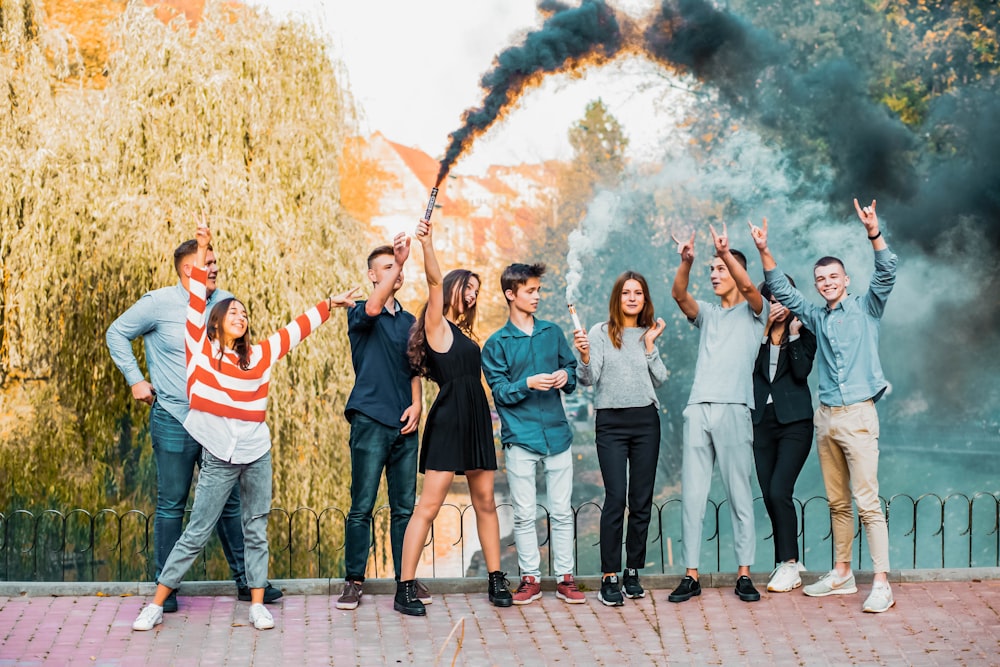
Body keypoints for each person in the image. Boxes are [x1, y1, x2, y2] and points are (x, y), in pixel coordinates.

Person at [132, 219, 358, 631]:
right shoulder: (199, 351)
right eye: (231, 310)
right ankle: (157, 602)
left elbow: (295, 330)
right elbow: (197, 299)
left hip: (256, 454)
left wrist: (330, 304)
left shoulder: (259, 355)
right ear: (214, 323)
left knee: (256, 527)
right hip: (219, 454)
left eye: (244, 311)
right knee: (197, 530)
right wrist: (203, 247)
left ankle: (256, 603)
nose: (240, 313)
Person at [107, 240, 282, 613]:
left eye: (216, 261)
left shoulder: (225, 303)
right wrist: (135, 379)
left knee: (230, 505)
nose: (215, 267)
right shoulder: (157, 303)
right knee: (172, 504)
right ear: (190, 268)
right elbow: (116, 333)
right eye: (209, 261)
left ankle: (249, 583)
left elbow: (243, 355)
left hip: (221, 425)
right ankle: (166, 591)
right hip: (175, 417)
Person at [750, 199, 897, 613]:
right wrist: (764, 249)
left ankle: (882, 583)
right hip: (826, 418)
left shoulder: (868, 309)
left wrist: (873, 230)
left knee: (867, 501)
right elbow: (781, 289)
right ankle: (842, 573)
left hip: (859, 415)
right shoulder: (815, 316)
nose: (827, 282)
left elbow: (887, 272)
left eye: (834, 276)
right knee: (837, 501)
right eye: (821, 278)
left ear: (846, 280)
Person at [392, 217, 512, 616]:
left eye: (478, 291)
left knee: (486, 503)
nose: (474, 296)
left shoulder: (464, 335)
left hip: (475, 418)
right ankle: (405, 587)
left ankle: (496, 579)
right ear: (451, 290)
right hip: (448, 418)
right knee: (428, 507)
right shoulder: (436, 325)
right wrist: (427, 244)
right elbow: (432, 282)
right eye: (469, 288)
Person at [668, 224, 768, 604]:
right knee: (693, 495)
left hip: (734, 408)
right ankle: (691, 574)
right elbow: (679, 294)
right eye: (711, 269)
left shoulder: (757, 312)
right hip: (698, 409)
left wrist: (727, 254)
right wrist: (687, 261)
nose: (714, 274)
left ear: (736, 270)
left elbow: (749, 289)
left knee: (739, 493)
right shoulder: (707, 314)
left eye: (720, 269)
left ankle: (744, 573)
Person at [482, 263, 583, 606]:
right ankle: (530, 580)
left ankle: (566, 579)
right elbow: (499, 392)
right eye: (530, 291)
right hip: (520, 438)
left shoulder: (552, 333)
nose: (537, 296)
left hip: (557, 434)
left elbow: (572, 373)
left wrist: (562, 377)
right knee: (524, 514)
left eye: (539, 290)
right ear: (511, 295)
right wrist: (528, 383)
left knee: (561, 511)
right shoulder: (496, 344)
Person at [337, 234, 427, 611]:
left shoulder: (410, 320)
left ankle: (404, 579)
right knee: (362, 505)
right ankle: (354, 580)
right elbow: (375, 307)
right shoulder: (360, 311)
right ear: (373, 276)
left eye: (398, 267)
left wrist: (418, 404)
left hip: (405, 423)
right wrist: (402, 262)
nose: (395, 273)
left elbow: (415, 369)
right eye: (387, 268)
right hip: (370, 420)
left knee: (404, 508)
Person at [572, 271, 668, 606]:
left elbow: (661, 378)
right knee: (616, 497)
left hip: (646, 421)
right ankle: (608, 575)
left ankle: (632, 571)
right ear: (617, 297)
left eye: (637, 293)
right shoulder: (600, 332)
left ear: (644, 298)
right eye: (626, 292)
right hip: (610, 422)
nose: (631, 298)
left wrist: (651, 346)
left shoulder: (647, 333)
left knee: (641, 500)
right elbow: (588, 378)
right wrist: (583, 356)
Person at [751, 277, 817, 593]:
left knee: (780, 490)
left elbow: (802, 372)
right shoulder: (753, 334)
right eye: (771, 299)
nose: (777, 304)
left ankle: (790, 563)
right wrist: (765, 332)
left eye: (782, 298)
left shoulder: (805, 331)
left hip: (795, 423)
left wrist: (791, 336)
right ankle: (784, 563)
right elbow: (746, 367)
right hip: (760, 422)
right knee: (768, 493)